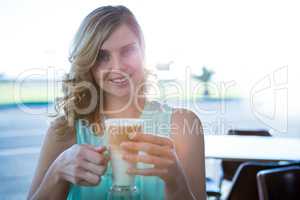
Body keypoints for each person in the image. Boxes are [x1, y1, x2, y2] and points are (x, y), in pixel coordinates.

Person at [27, 5, 206, 200]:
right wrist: (57, 172)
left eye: (127, 51)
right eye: (102, 56)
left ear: (143, 51)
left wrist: (176, 180)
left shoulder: (183, 124)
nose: (118, 67)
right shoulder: (65, 130)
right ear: (88, 64)